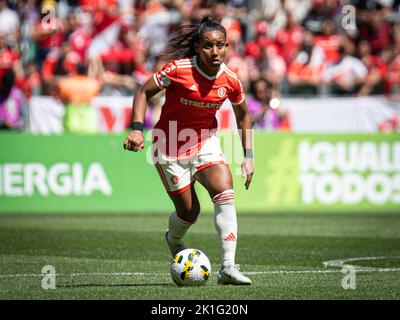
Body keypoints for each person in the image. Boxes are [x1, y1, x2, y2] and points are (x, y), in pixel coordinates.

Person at [123, 17, 254, 285]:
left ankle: (228, 267)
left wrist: (248, 156)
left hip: (205, 142)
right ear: (196, 46)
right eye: (207, 46)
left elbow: (244, 116)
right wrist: (137, 128)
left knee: (224, 191)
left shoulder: (230, 79)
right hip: (168, 147)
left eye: (220, 45)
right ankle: (173, 239)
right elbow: (143, 91)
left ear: (227, 46)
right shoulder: (178, 69)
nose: (215, 52)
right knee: (189, 213)